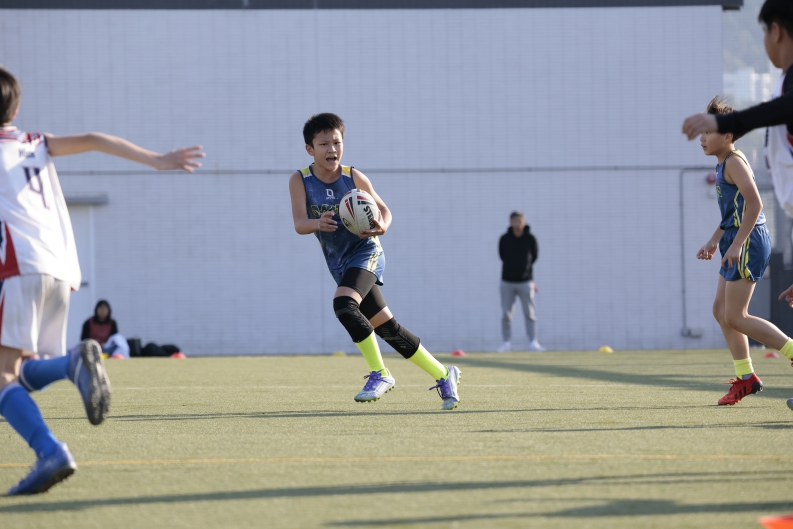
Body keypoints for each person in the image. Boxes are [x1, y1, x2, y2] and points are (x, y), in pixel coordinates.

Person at [0, 66, 204, 495]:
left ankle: (49, 450)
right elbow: (93, 138)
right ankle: (71, 364)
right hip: (59, 270)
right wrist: (157, 160)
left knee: (1, 377)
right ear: (15, 109)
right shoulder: (35, 142)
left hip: (18, 269)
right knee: (20, 370)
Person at [288, 113, 461, 410]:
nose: (332, 149)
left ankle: (380, 373)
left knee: (344, 305)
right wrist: (318, 223)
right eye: (324, 144)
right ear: (309, 149)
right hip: (340, 263)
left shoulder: (353, 177)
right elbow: (299, 223)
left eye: (337, 142)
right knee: (387, 328)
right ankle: (445, 374)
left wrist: (382, 225)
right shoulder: (300, 180)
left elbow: (384, 211)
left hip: (367, 252)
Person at [695, 96, 793, 405]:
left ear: (728, 135)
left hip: (748, 241)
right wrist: (715, 239)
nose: (702, 138)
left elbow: (755, 204)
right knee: (720, 311)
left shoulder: (734, 162)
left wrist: (737, 244)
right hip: (735, 239)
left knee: (736, 316)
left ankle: (791, 351)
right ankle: (746, 377)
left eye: (708, 132)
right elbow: (733, 213)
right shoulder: (723, 163)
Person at [498, 211, 544, 352]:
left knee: (530, 313)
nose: (517, 224)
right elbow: (502, 255)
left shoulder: (530, 239)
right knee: (506, 314)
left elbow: (534, 256)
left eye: (520, 221)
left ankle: (533, 342)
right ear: (510, 222)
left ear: (524, 222)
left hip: (526, 282)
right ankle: (506, 343)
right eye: (515, 221)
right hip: (507, 281)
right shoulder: (505, 239)